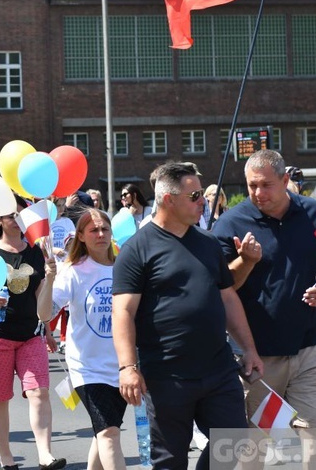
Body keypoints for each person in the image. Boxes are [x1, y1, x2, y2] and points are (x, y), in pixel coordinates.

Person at [112, 162, 264, 470]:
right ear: (168, 199)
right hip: (167, 375)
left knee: (232, 442)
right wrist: (128, 367)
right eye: (194, 195)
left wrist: (249, 348)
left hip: (218, 368)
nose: (202, 202)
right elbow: (123, 312)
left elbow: (228, 297)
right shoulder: (137, 249)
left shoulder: (207, 242)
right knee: (170, 460)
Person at [212, 150, 316, 469]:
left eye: (266, 185)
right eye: (252, 185)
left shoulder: (314, 212)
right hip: (257, 356)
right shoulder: (230, 223)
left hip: (309, 347)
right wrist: (246, 260)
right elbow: (222, 289)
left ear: (285, 181)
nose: (258, 193)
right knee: (253, 443)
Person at [0, 195, 66, 470]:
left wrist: (50, 278)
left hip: (30, 335)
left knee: (39, 392)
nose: (15, 220)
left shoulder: (36, 253)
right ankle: (6, 458)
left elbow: (43, 308)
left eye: (19, 215)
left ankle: (44, 455)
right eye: (9, 215)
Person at [50, 209, 126, 470]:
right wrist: (49, 278)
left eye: (105, 228)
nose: (101, 234)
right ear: (80, 236)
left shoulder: (125, 267)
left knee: (104, 431)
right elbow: (46, 311)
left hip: (123, 366)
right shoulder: (74, 271)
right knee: (109, 434)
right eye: (93, 230)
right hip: (88, 367)